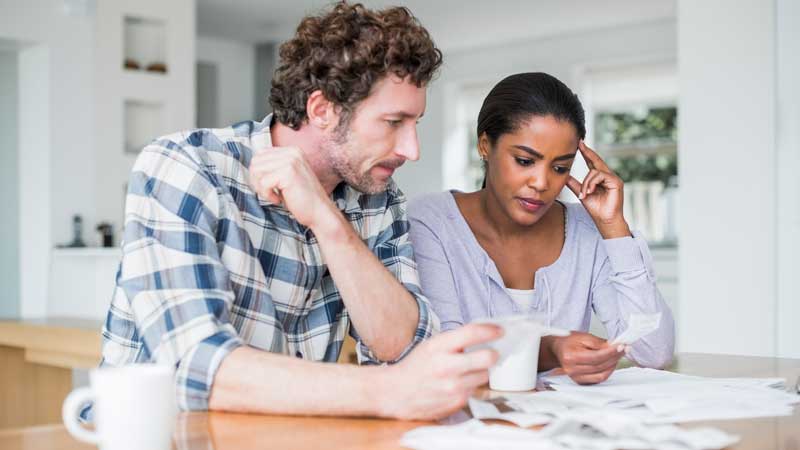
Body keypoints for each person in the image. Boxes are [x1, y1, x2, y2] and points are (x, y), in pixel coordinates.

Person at [98, 2, 500, 421]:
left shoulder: (377, 197)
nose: (411, 150)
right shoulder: (186, 166)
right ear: (322, 109)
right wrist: (386, 392)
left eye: (414, 123)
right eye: (393, 122)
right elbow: (196, 366)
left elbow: (403, 348)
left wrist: (327, 221)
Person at [408, 72, 674, 385]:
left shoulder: (586, 231)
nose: (542, 183)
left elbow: (654, 352)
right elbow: (442, 354)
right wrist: (549, 349)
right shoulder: (432, 221)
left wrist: (613, 226)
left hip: (561, 427)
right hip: (462, 426)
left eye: (560, 167)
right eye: (524, 161)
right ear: (484, 145)